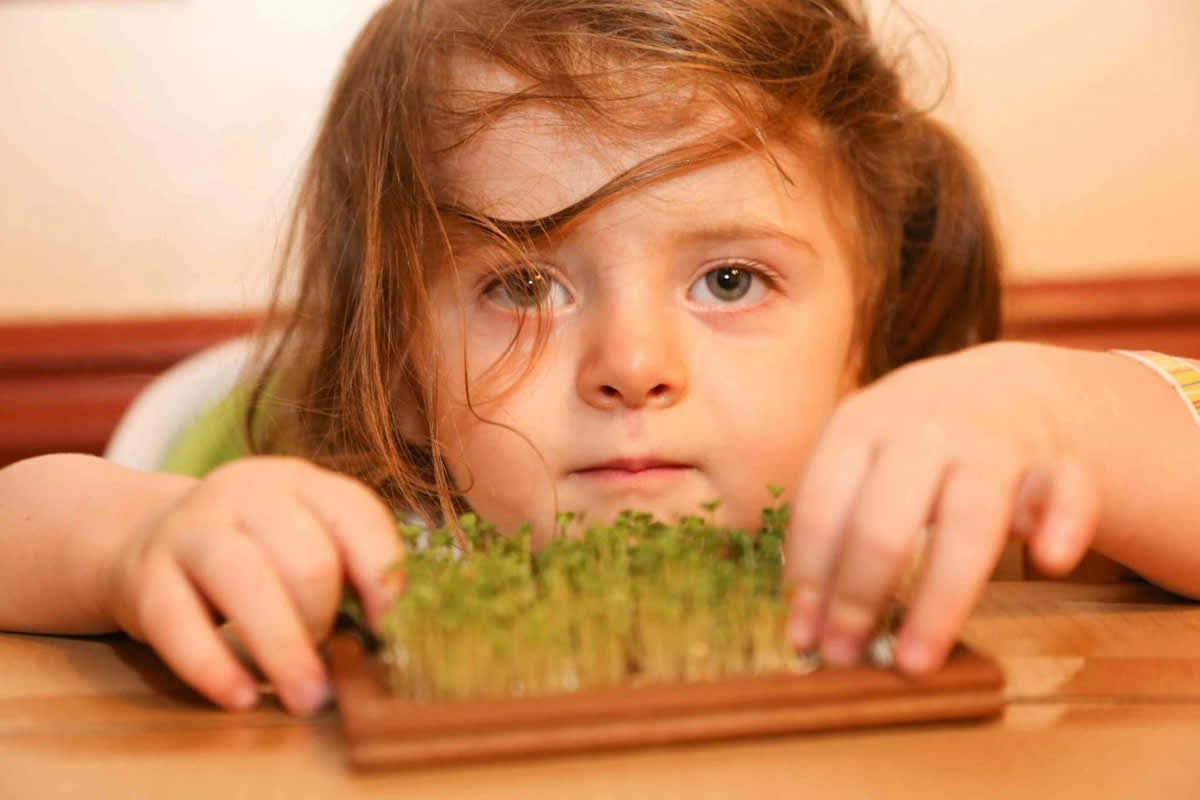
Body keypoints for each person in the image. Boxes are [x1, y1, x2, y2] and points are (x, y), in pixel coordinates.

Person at [2, 0, 1199, 719]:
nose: (631, 366)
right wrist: (133, 542)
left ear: (866, 336)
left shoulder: (928, 523)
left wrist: (1067, 407)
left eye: (730, 279)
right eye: (522, 284)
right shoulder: (366, 551)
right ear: (400, 364)